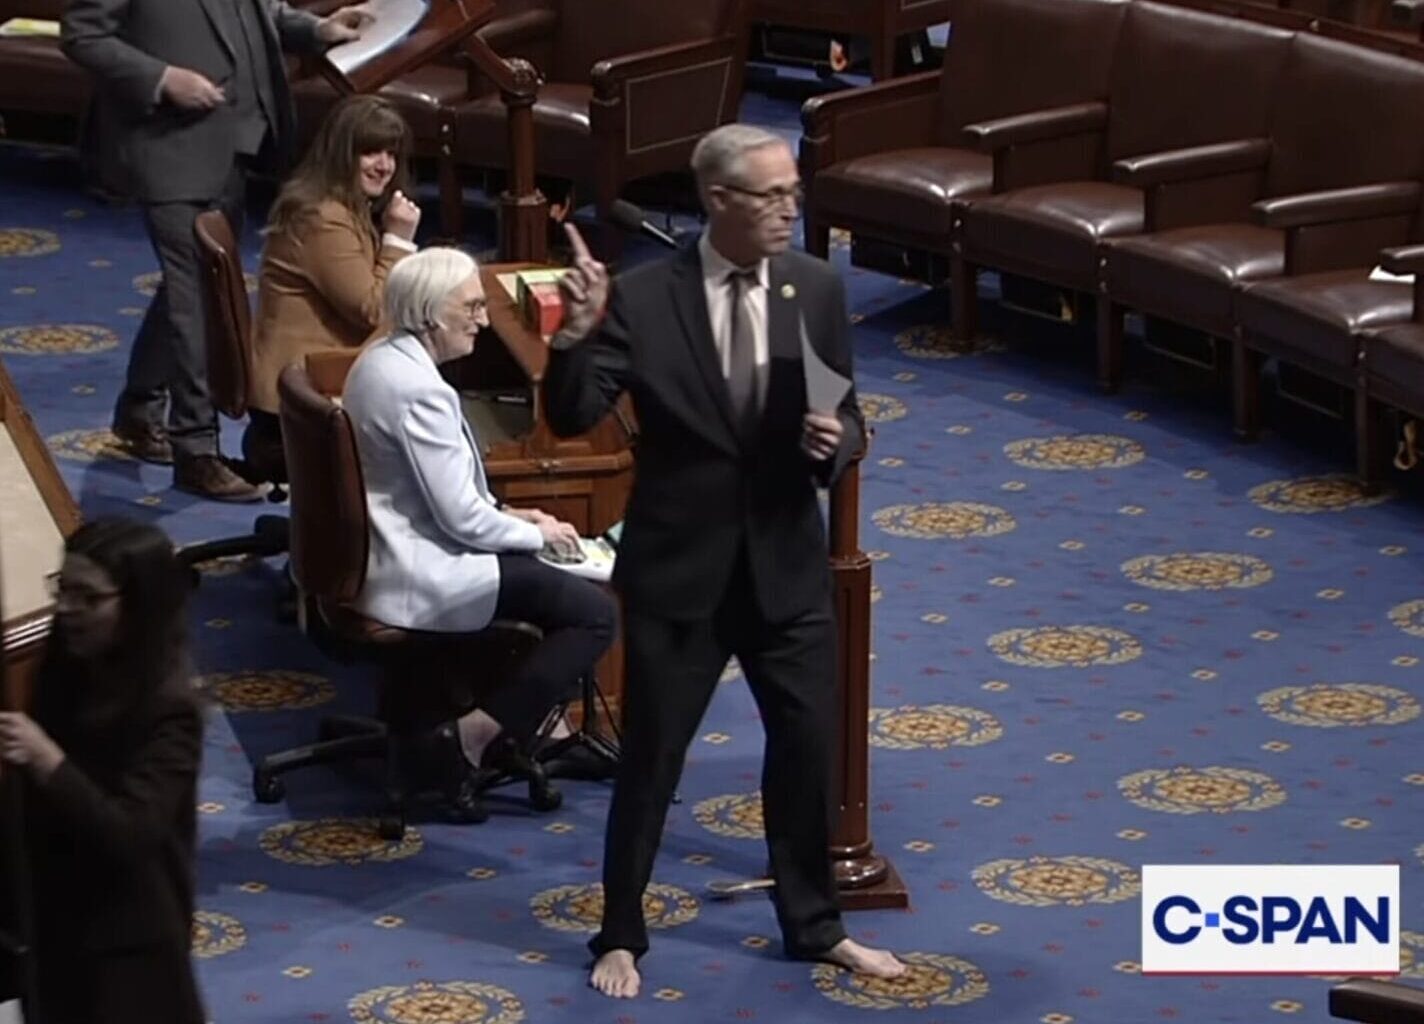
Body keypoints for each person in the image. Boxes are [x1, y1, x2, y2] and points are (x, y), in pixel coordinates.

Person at [544, 123, 907, 998]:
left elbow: (845, 411)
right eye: (772, 196)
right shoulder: (642, 297)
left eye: (794, 193)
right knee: (652, 760)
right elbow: (572, 414)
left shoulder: (815, 287)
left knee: (807, 750)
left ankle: (816, 926)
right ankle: (620, 933)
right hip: (681, 571)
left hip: (785, 565)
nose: (790, 209)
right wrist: (574, 337)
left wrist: (835, 442)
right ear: (718, 199)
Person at [61, 0, 371, 501]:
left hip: (235, 147)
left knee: (190, 285)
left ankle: (139, 406)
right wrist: (162, 78)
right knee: (198, 295)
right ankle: (196, 449)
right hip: (169, 147)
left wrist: (318, 29)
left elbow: (261, 12)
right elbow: (82, 33)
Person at [342, 247, 617, 812]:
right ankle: (474, 735)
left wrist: (517, 516)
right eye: (470, 307)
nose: (484, 320)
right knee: (595, 613)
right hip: (420, 570)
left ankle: (543, 726)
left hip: (389, 548)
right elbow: (461, 519)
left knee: (548, 578)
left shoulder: (378, 359)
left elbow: (452, 498)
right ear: (428, 314)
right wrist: (540, 535)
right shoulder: (420, 391)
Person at [0, 518, 205, 1024]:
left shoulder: (171, 709)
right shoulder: (66, 667)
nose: (67, 608)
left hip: (129, 944)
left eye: (88, 597)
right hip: (53, 917)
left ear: (136, 604)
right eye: (63, 588)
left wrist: (48, 760)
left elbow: (130, 833)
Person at [246, 94, 421, 474]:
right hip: (299, 401)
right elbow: (373, 310)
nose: (384, 166)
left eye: (391, 154)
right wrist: (398, 241)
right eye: (371, 152)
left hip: (317, 378)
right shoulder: (322, 217)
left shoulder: (343, 205)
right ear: (342, 153)